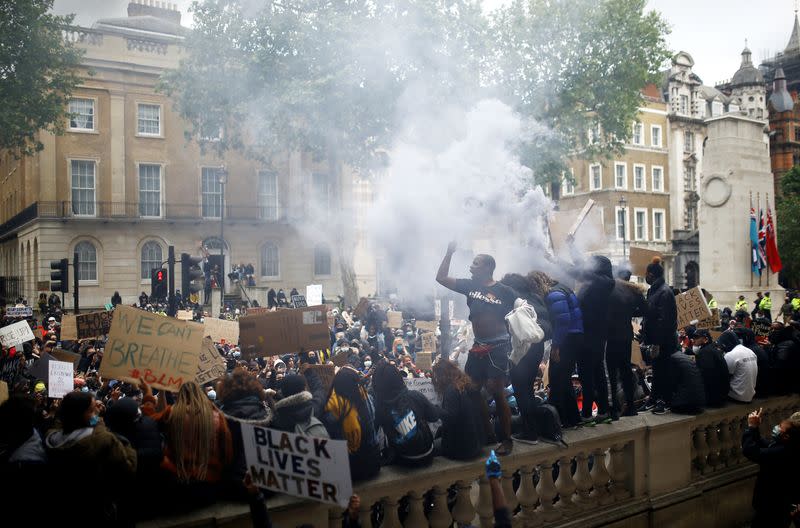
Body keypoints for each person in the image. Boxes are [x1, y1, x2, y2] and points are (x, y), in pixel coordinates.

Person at [436, 242, 518, 455]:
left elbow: (522, 311)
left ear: (488, 268)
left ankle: (507, 439)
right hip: (478, 346)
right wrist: (449, 251)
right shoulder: (470, 286)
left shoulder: (505, 291)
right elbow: (441, 278)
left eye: (476, 264)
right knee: (472, 390)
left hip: (499, 346)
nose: (471, 267)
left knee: (497, 391)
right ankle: (489, 433)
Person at [44, 391, 137, 523]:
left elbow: (59, 424)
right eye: (92, 409)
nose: (96, 411)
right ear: (81, 414)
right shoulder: (102, 440)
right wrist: (124, 443)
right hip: (96, 507)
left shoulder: (51, 437)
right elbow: (128, 468)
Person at [141, 379, 234, 509]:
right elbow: (227, 456)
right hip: (210, 489)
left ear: (180, 395)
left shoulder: (172, 413)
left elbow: (148, 422)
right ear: (201, 394)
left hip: (177, 488)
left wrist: (148, 396)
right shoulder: (218, 417)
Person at [499, 273, 552, 442]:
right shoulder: (535, 298)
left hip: (523, 350)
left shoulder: (516, 301)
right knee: (528, 389)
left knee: (522, 391)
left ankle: (529, 433)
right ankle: (532, 429)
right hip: (536, 348)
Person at [529, 270, 583, 428]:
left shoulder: (554, 295)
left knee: (557, 378)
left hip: (568, 339)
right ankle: (572, 419)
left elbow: (563, 321)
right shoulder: (561, 288)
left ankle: (561, 419)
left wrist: (556, 346)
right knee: (563, 379)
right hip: (573, 337)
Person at [573, 255, 616, 424]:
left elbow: (581, 271)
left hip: (590, 335)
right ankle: (603, 410)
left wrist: (555, 261)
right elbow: (582, 268)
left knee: (587, 375)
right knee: (597, 374)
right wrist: (572, 249)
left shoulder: (603, 282)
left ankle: (586, 414)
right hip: (594, 335)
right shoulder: (600, 282)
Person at [372, 361, 438, 466]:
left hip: (402, 459)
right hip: (427, 455)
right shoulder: (415, 396)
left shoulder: (378, 406)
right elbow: (434, 417)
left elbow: (373, 434)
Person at [742, 408, 800, 528]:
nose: (776, 428)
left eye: (780, 426)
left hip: (771, 506)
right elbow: (765, 445)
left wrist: (751, 428)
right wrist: (755, 430)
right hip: (781, 505)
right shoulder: (791, 447)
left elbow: (752, 452)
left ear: (786, 436)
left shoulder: (782, 452)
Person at [322, 366, 381, 481]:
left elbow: (329, 432)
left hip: (351, 467)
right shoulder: (365, 396)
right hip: (374, 462)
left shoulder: (335, 404)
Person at [216, 368, 272, 486]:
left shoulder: (220, 420)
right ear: (254, 387)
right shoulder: (268, 414)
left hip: (235, 484)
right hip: (269, 480)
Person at [640, 257, 678, 415]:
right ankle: (654, 398)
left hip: (664, 342)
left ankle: (665, 400)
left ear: (651, 274)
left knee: (664, 370)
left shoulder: (665, 292)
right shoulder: (653, 291)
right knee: (656, 370)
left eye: (647, 274)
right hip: (654, 340)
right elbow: (650, 314)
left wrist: (657, 343)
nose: (646, 277)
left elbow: (665, 321)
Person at [606, 275, 648, 418]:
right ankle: (630, 405)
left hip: (610, 336)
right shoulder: (632, 290)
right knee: (626, 371)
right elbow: (645, 309)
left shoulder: (610, 287)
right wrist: (630, 312)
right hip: (625, 335)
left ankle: (614, 407)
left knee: (611, 373)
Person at [431, 358, 486, 460]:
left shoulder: (451, 390)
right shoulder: (467, 385)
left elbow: (451, 417)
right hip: (477, 444)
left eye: (437, 377)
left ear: (443, 376)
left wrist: (435, 409)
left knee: (429, 448)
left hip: (462, 450)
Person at [691, 329, 730, 408]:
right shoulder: (712, 348)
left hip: (714, 398)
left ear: (705, 339)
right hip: (721, 396)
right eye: (693, 337)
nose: (693, 339)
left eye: (696, 337)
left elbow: (706, 376)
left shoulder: (705, 352)